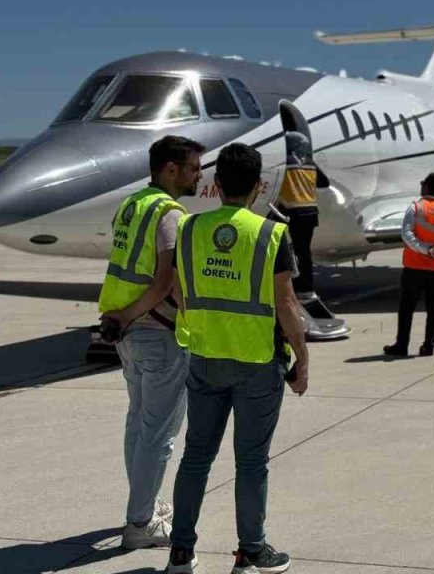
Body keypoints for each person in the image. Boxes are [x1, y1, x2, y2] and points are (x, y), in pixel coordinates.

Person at [166, 143, 309, 574]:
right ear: (259, 186)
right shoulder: (271, 233)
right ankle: (250, 551)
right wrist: (302, 356)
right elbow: (286, 304)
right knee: (250, 462)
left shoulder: (189, 229)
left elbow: (178, 288)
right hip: (257, 362)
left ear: (216, 184)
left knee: (195, 458)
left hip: (206, 357)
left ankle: (180, 552)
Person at [99, 135, 206, 550]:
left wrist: (121, 317)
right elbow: (166, 281)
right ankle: (140, 521)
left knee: (138, 422)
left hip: (126, 330)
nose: (199, 175)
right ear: (170, 169)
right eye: (194, 168)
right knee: (159, 435)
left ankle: (142, 505)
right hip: (156, 332)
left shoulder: (132, 205)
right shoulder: (170, 215)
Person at [384, 172, 434, 358]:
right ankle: (429, 346)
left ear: (426, 187)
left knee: (407, 308)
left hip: (414, 266)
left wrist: (424, 249)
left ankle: (401, 346)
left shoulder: (416, 208)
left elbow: (407, 234)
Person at [276, 131, 329, 298]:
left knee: (289, 252)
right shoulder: (310, 163)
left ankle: (292, 286)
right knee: (304, 252)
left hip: (292, 212)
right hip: (310, 213)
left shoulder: (285, 163)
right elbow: (324, 182)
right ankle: (307, 289)